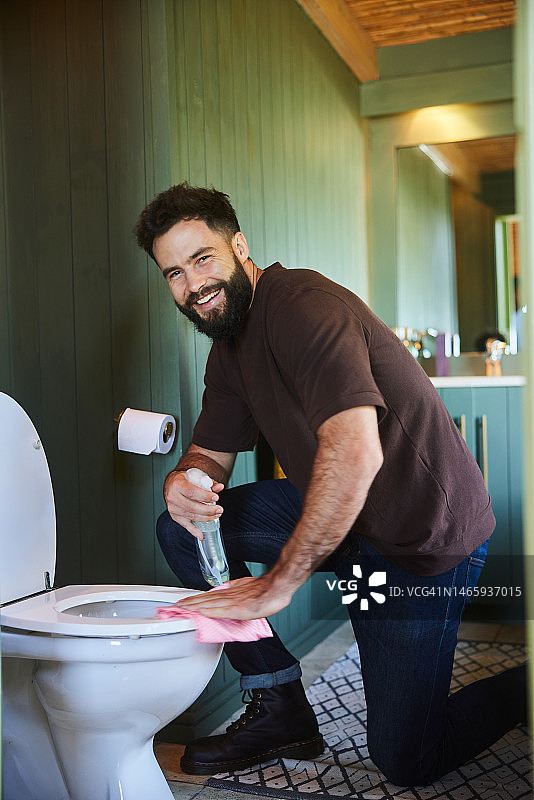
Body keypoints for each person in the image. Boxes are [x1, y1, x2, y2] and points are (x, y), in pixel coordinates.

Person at [135, 183, 527, 787]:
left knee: (405, 758)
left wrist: (277, 584)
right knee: (181, 528)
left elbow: (355, 452)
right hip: (351, 527)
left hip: (417, 540)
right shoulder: (228, 349)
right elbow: (208, 454)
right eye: (174, 273)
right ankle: (280, 706)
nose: (192, 285)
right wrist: (184, 483)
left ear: (239, 247)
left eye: (203, 258)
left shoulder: (303, 307)